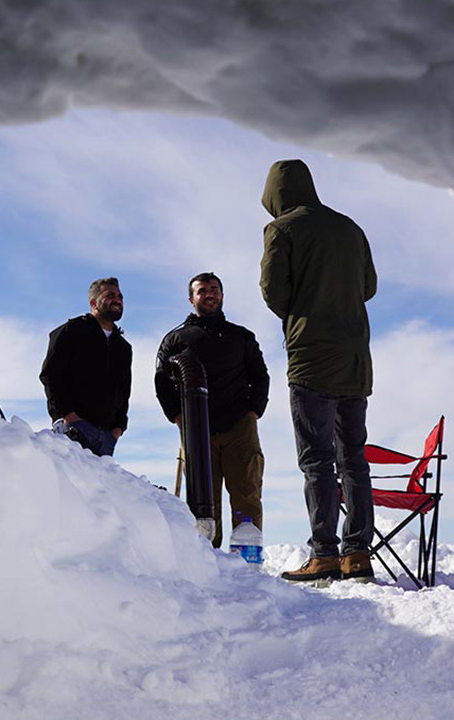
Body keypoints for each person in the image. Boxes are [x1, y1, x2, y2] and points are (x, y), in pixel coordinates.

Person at [259, 159, 379, 584]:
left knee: (317, 460)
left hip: (311, 358)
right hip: (354, 359)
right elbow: (368, 288)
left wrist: (303, 312)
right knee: (354, 459)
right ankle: (357, 554)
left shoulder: (282, 229)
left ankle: (324, 555)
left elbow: (274, 291)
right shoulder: (350, 228)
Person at [155, 272, 269, 548]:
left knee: (246, 492)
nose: (210, 294)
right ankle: (208, 557)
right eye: (203, 290)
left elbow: (260, 375)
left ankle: (248, 558)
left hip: (238, 426)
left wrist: (253, 412)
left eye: (215, 289)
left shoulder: (241, 336)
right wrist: (177, 416)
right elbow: (161, 381)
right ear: (191, 299)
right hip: (196, 429)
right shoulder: (176, 339)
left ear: (222, 294)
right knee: (203, 500)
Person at [39, 277, 132, 457]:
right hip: (74, 428)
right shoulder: (71, 331)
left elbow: (124, 391)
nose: (117, 300)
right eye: (110, 295)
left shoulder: (123, 347)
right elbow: (50, 375)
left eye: (120, 296)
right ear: (93, 303)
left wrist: (118, 428)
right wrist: (67, 415)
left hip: (107, 437)